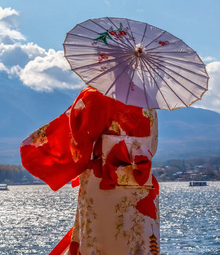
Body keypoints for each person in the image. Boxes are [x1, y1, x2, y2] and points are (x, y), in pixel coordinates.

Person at [21, 86, 160, 255]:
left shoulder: (96, 95)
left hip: (102, 183)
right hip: (140, 184)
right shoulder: (148, 102)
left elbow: (79, 141)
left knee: (99, 241)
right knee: (139, 242)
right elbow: (152, 147)